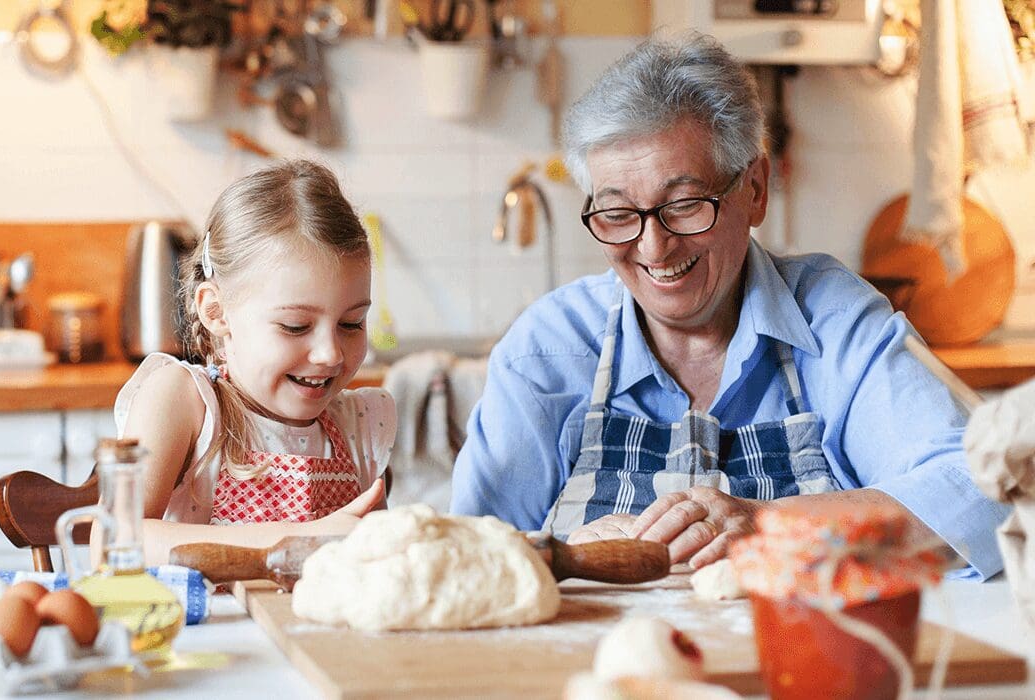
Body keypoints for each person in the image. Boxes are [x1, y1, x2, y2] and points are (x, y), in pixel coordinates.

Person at [449, 33, 1008, 579]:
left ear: (756, 189)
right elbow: (470, 557)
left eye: (685, 204)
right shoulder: (548, 349)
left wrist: (771, 524)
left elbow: (982, 489)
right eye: (618, 214)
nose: (653, 247)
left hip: (799, 663)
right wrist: (572, 553)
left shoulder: (833, 323)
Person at [114, 160, 396, 565]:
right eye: (296, 326)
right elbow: (118, 539)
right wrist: (302, 537)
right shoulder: (183, 402)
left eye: (351, 323)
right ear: (217, 312)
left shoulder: (359, 426)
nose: (330, 353)